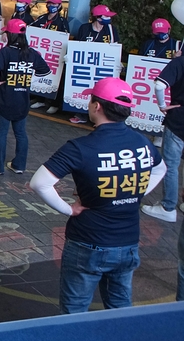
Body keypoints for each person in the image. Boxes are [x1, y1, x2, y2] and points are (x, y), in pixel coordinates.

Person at [30, 77, 167, 314]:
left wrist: (68, 209)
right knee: (120, 309)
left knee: (74, 312)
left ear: (97, 106)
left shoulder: (81, 147)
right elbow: (161, 168)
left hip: (88, 243)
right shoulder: (142, 142)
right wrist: (134, 191)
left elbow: (40, 183)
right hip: (128, 243)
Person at [0, 19, 51, 175]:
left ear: (11, 35)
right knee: (21, 133)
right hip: (23, 99)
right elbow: (45, 72)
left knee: (1, 133)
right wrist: (28, 81)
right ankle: (19, 165)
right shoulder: (31, 53)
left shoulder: (6, 52)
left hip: (6, 98)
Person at [142, 54, 184, 223]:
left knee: (171, 164)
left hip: (179, 119)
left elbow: (160, 85)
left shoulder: (179, 62)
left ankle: (168, 206)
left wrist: (162, 105)